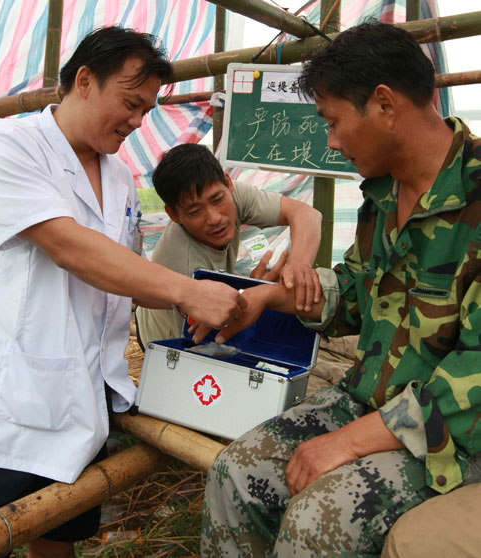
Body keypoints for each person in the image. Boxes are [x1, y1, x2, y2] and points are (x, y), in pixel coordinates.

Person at [200, 21, 481, 558]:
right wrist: (268, 297)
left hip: (452, 438)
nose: (329, 140)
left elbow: (474, 382)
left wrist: (345, 444)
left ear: (383, 104)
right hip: (367, 404)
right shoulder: (384, 194)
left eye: (332, 122)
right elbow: (356, 292)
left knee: (318, 520)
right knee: (234, 472)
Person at [0, 26, 246, 558]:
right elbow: (69, 247)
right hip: (16, 397)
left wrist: (214, 296)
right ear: (84, 80)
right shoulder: (5, 147)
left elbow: (122, 275)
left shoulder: (120, 175)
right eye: (130, 103)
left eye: (147, 110)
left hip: (89, 393)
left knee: (59, 535)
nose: (137, 121)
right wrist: (185, 292)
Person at [135, 142, 322, 347]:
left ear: (228, 183)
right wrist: (252, 291)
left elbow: (307, 215)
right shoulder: (183, 263)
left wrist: (299, 265)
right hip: (166, 337)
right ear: (173, 214)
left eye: (217, 200)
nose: (214, 218)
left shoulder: (229, 194)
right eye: (195, 212)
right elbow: (210, 335)